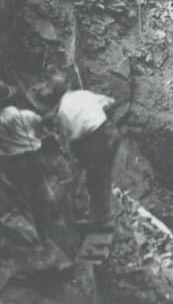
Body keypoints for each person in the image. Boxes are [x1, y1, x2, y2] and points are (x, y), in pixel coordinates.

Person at [37, 76, 119, 223]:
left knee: (95, 179)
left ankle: (100, 218)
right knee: (104, 176)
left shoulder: (62, 112)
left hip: (97, 139)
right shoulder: (82, 94)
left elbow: (73, 138)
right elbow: (110, 101)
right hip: (111, 132)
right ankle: (104, 210)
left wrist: (74, 159)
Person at [0, 82, 53, 238]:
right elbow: (42, 125)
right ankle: (49, 232)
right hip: (34, 157)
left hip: (13, 163)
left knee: (24, 197)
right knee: (43, 194)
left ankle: (34, 234)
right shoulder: (21, 114)